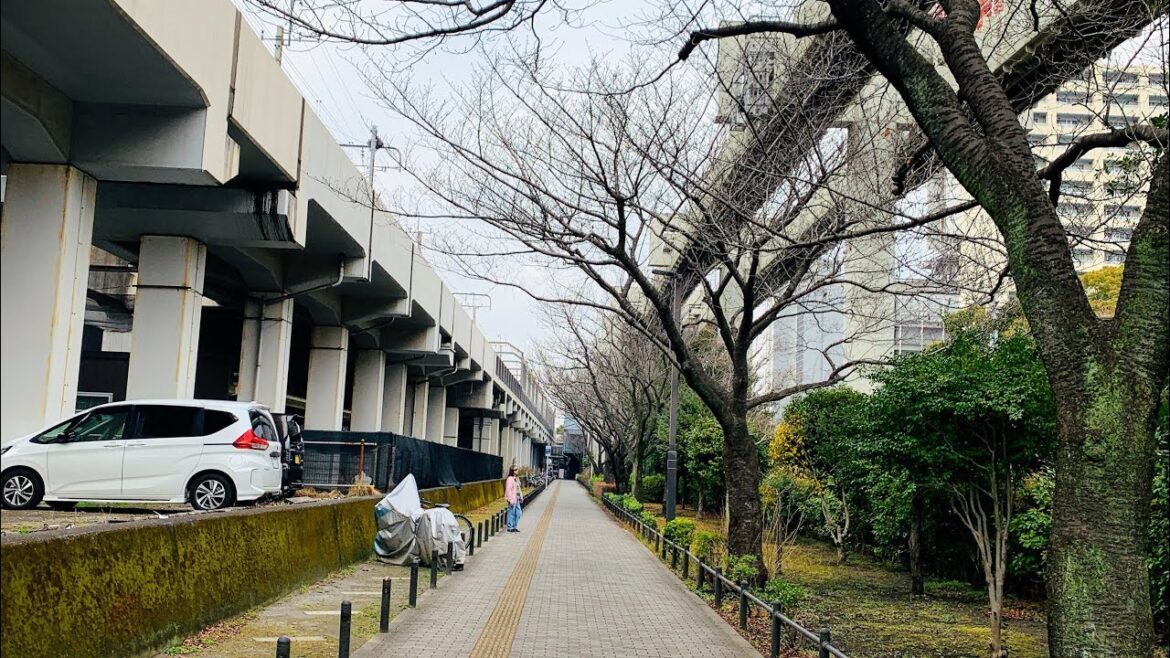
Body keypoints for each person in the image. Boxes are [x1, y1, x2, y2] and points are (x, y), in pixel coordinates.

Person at [505, 465, 523, 532]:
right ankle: (510, 527)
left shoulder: (516, 478)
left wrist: (521, 496)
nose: (517, 470)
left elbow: (519, 488)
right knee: (511, 512)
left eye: (517, 469)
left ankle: (514, 526)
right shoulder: (510, 479)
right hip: (512, 497)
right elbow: (508, 490)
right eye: (515, 469)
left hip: (517, 497)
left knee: (518, 512)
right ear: (512, 471)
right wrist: (509, 499)